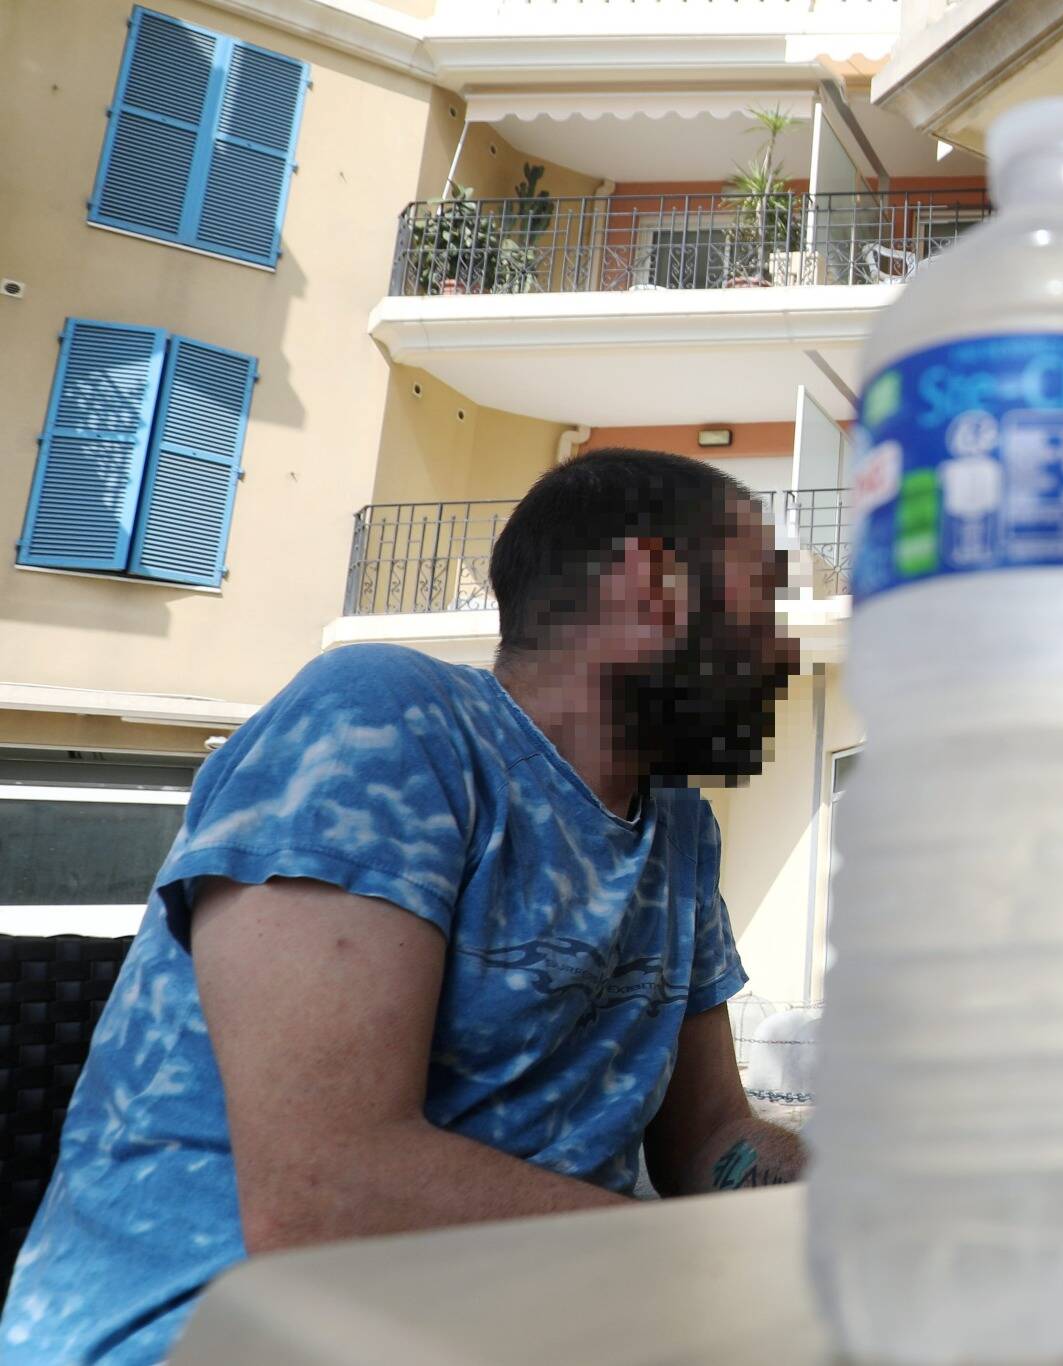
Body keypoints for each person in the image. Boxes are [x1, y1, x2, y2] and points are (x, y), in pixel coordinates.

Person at [2, 450, 804, 1363]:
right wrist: (722, 1277)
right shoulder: (384, 720)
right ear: (653, 586)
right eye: (762, 601)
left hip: (544, 1322)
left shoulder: (679, 829)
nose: (783, 647)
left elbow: (709, 1137)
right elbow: (328, 1195)